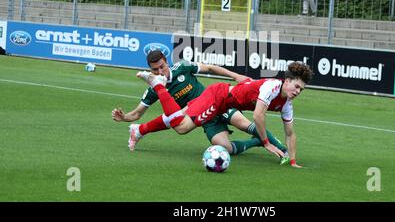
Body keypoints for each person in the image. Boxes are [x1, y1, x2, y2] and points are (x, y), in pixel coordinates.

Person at [112, 50, 289, 162]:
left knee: (244, 124)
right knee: (226, 149)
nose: (160, 72)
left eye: (162, 67)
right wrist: (125, 117)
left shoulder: (182, 67)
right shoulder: (153, 90)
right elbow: (137, 113)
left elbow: (210, 68)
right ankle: (257, 142)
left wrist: (236, 76)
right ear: (150, 70)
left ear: (167, 62)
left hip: (219, 101)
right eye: (155, 70)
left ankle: (283, 151)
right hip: (205, 118)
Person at [136, 61, 313, 168]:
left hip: (227, 104)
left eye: (301, 89)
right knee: (181, 128)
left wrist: (293, 161)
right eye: (296, 86)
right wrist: (266, 143)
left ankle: (139, 129)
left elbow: (290, 133)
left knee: (230, 142)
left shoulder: (287, 104)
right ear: (287, 81)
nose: (298, 91)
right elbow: (258, 115)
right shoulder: (272, 87)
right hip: (218, 97)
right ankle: (157, 84)